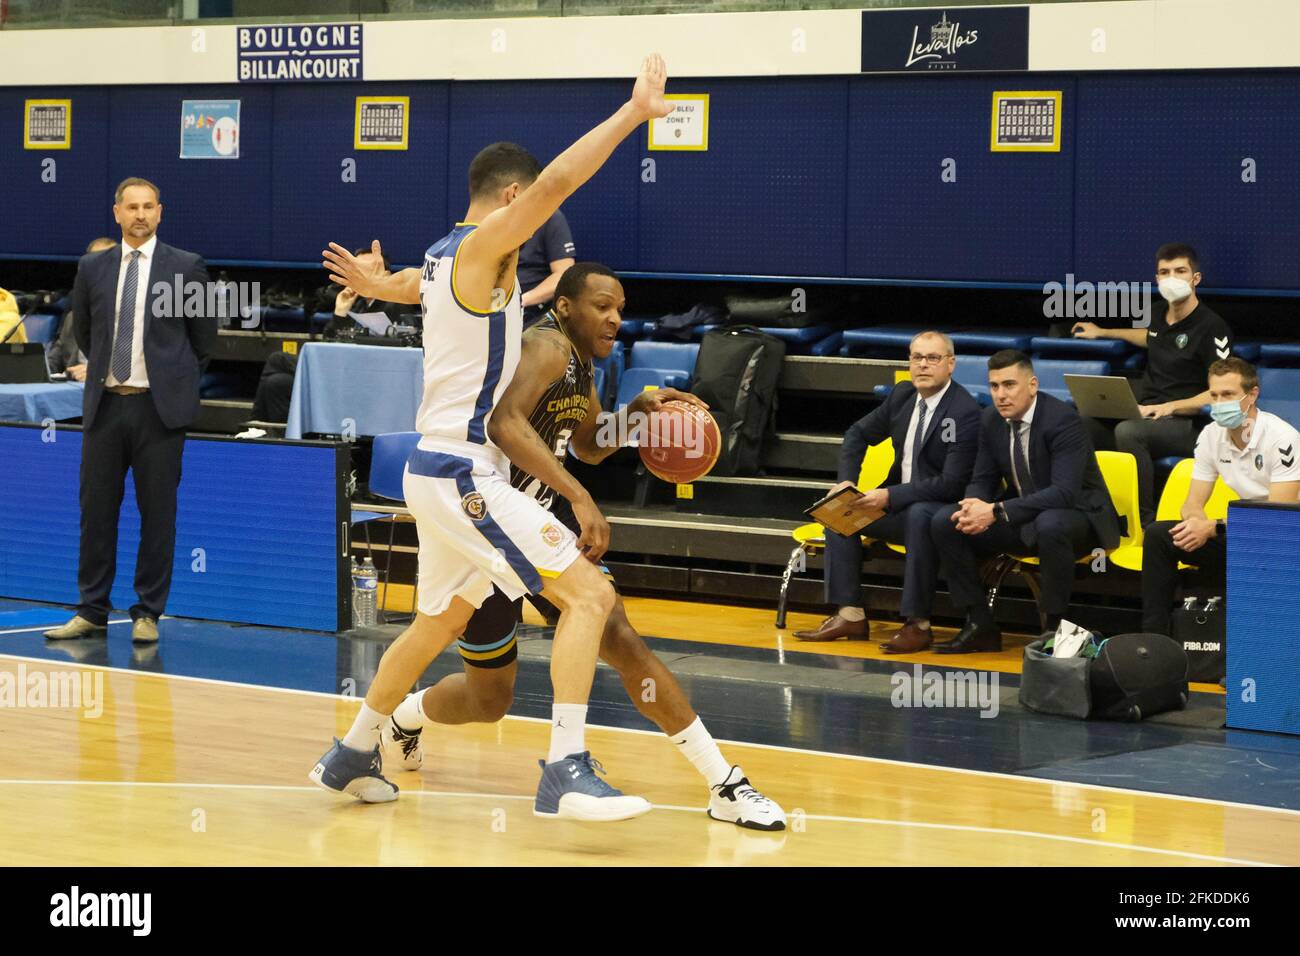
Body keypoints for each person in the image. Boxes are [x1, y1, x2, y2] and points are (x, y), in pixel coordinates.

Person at [308, 55, 673, 822]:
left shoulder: (446, 257)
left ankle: (351, 752)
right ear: (510, 201)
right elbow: (558, 182)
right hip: (465, 471)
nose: (536, 230)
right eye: (528, 216)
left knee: (437, 622)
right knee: (589, 593)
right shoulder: (483, 247)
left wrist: (379, 287)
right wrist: (633, 114)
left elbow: (410, 284)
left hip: (434, 468)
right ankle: (566, 768)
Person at [380, 262, 785, 829]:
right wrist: (580, 498)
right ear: (566, 306)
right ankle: (406, 715)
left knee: (621, 639)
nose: (615, 317)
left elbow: (590, 445)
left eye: (620, 308)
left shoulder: (583, 366)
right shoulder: (544, 347)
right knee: (488, 698)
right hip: (483, 531)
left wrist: (633, 421)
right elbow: (504, 423)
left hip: (533, 524)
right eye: (602, 305)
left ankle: (723, 782)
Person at [44, 178, 215, 645]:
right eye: (131, 207)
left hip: (158, 412)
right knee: (95, 512)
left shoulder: (186, 266)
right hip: (105, 408)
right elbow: (87, 333)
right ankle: (91, 609)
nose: (140, 214)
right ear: (117, 212)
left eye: (148, 207)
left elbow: (204, 341)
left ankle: (147, 613)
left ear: (160, 212)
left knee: (157, 515)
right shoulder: (91, 266)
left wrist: (169, 382)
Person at [794, 331, 981, 654]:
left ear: (951, 364)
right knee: (839, 512)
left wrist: (889, 496)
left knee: (922, 515)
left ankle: (917, 624)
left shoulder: (964, 411)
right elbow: (857, 433)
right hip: (898, 507)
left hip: (940, 512)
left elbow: (951, 483)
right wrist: (845, 482)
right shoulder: (903, 396)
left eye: (932, 358)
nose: (923, 365)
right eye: (916, 358)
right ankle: (850, 614)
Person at [927, 350, 1121, 653]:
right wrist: (973, 506)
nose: (1001, 395)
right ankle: (979, 624)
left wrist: (996, 511)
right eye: (994, 387)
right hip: (1023, 516)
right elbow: (983, 477)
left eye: (1009, 385)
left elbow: (1064, 493)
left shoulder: (1064, 420)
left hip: (1079, 518)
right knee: (945, 522)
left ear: (1032, 384)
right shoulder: (990, 419)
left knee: (1050, 523)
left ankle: (1053, 628)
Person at [1072, 242, 1234, 525]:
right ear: (1157, 278)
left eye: (1180, 271)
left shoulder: (1213, 327)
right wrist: (1103, 331)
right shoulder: (1158, 312)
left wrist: (1170, 407)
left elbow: (1222, 391)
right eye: (1164, 272)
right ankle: (1095, 513)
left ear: (1195, 278)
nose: (1172, 278)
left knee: (1129, 432)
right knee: (1084, 423)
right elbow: (1150, 336)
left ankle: (1141, 522)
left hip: (1188, 424)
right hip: (1148, 414)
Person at [1141, 358, 1300, 635]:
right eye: (1214, 395)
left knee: (1257, 543)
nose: (1219, 403)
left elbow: (1278, 518)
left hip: (1283, 541)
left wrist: (1213, 527)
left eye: (1228, 395)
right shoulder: (1211, 435)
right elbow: (1192, 502)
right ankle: (1155, 644)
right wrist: (1194, 523)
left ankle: (1246, 652)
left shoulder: (1282, 438)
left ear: (1252, 394)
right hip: (1239, 534)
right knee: (1159, 536)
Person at [250, 246, 419, 423]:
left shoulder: (396, 303)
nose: (360, 275)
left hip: (368, 377)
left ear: (387, 275)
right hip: (343, 370)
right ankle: (270, 434)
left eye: (368, 269)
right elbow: (330, 341)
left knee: (278, 359)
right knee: (276, 383)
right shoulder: (358, 302)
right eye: (357, 270)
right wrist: (340, 312)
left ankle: (251, 429)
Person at [46, 237, 118, 382]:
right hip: (72, 393)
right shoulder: (73, 319)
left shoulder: (134, 315)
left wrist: (99, 371)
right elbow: (51, 363)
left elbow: (141, 364)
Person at [518, 209, 576, 326]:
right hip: (495, 305)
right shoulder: (495, 219)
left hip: (533, 312)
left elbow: (564, 274)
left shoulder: (550, 217)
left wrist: (520, 301)